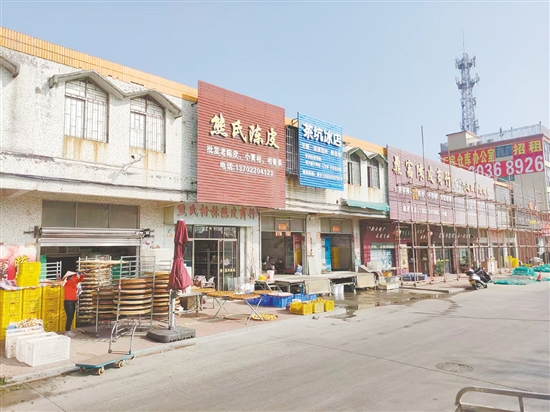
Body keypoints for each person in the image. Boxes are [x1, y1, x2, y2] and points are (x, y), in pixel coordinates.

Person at [62, 270, 84, 337]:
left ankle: (68, 330)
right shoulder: (68, 283)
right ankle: (67, 331)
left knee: (71, 317)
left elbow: (79, 279)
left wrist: (82, 275)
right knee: (70, 317)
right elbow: (76, 279)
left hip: (72, 301)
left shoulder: (72, 283)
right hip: (69, 302)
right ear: (69, 277)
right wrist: (78, 274)